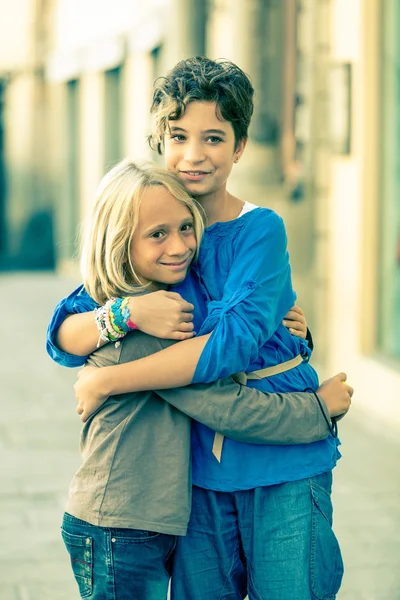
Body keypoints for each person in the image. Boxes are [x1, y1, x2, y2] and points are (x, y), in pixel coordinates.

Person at [48, 57, 353, 600]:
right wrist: (126, 315)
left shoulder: (260, 229)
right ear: (159, 141)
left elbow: (232, 345)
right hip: (196, 483)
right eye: (178, 136)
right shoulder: (154, 232)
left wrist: (109, 381)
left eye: (214, 138)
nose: (194, 154)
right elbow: (67, 329)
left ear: (238, 147)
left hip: (282, 465)